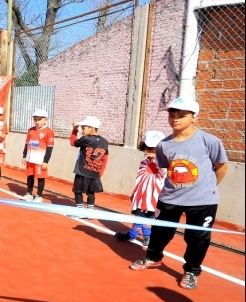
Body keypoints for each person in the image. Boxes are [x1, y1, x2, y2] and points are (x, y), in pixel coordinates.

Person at [128, 98, 229, 290]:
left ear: (194, 118)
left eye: (182, 115)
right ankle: (153, 257)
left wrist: (209, 187)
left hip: (203, 201)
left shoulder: (209, 141)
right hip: (170, 198)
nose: (175, 119)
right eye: (172, 115)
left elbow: (222, 167)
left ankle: (192, 270)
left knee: (197, 238)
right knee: (160, 232)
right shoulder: (164, 145)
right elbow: (167, 169)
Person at [115, 130, 166, 246]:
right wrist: (134, 193)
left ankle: (132, 235)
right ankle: (147, 237)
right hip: (141, 196)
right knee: (143, 216)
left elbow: (163, 172)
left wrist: (155, 157)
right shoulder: (144, 163)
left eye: (153, 149)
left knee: (143, 217)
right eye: (148, 148)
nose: (149, 151)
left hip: (154, 198)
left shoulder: (163, 163)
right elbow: (140, 179)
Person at [69, 115, 109, 211]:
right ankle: (90, 210)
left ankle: (79, 210)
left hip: (82, 171)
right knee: (91, 192)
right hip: (95, 171)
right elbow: (105, 157)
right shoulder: (104, 142)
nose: (82, 130)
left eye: (84, 128)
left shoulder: (86, 139)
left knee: (77, 191)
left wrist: (75, 130)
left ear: (92, 128)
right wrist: (101, 171)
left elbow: (73, 142)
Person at [21, 109, 54, 202]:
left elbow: (50, 147)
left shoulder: (49, 131)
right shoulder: (31, 130)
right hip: (30, 158)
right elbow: (27, 144)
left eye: (39, 119)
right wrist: (24, 156)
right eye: (35, 119)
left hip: (40, 160)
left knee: (40, 177)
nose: (37, 121)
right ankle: (29, 193)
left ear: (45, 120)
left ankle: (39, 195)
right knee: (30, 176)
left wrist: (46, 161)